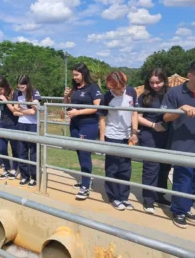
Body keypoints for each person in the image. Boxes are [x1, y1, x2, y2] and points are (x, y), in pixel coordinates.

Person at [161, 61, 195, 229]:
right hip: (182, 143)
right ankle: (179, 211)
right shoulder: (175, 92)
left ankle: (187, 207)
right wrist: (180, 109)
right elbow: (165, 117)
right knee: (183, 178)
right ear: (190, 75)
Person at [99, 71, 138, 211]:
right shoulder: (107, 97)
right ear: (111, 87)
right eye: (118, 88)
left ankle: (124, 197)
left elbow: (134, 113)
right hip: (112, 135)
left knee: (126, 169)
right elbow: (102, 118)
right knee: (112, 168)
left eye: (123, 86)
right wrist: (102, 139)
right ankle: (113, 197)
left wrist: (134, 133)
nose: (122, 90)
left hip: (126, 136)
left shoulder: (132, 92)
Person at [64, 63, 103, 200]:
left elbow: (98, 107)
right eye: (73, 75)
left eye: (77, 75)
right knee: (80, 153)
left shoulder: (93, 88)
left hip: (88, 125)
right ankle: (86, 179)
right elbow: (68, 107)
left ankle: (85, 187)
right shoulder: (75, 88)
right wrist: (66, 97)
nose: (74, 77)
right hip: (75, 124)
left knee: (85, 153)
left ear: (84, 74)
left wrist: (79, 111)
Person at [138, 68, 171, 214]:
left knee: (165, 167)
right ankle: (148, 200)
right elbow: (137, 116)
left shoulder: (170, 95)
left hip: (167, 135)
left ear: (164, 80)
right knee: (151, 167)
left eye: (158, 82)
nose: (155, 85)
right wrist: (153, 125)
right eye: (152, 83)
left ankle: (159, 195)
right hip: (149, 134)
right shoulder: (144, 96)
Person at [13, 75, 41, 187]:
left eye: (23, 87)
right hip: (21, 124)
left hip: (33, 125)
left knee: (33, 152)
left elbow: (33, 112)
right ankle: (25, 175)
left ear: (27, 85)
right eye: (19, 87)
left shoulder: (35, 92)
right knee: (21, 151)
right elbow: (15, 111)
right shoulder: (17, 94)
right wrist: (24, 110)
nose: (21, 89)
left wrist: (21, 110)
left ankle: (34, 177)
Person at [0, 76, 19, 180]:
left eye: (1, 89)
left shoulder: (14, 93)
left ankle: (15, 168)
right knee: (2, 149)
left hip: (13, 124)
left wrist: (5, 100)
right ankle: (6, 168)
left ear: (6, 87)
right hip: (2, 124)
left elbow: (14, 110)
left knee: (15, 148)